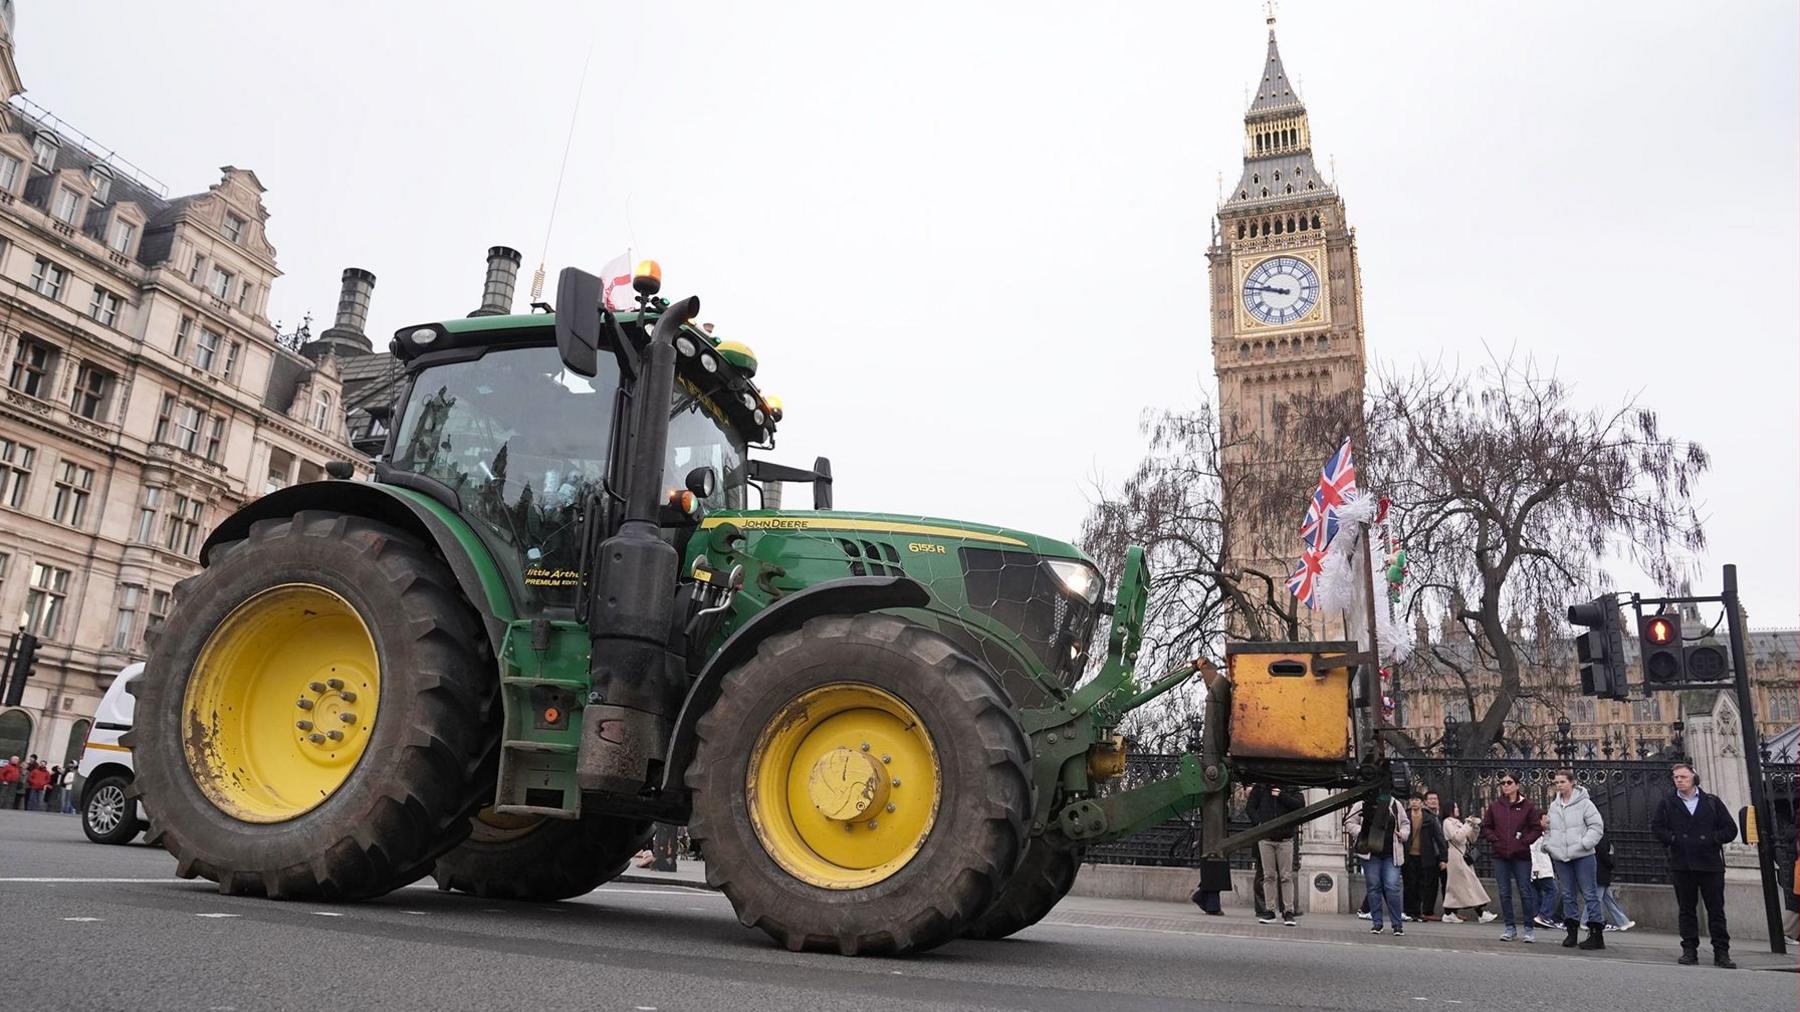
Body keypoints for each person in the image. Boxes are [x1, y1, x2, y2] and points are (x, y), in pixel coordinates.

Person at [1649, 762, 1739, 968]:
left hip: (1710, 864)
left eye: (1683, 777)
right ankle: (1689, 950)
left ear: (1693, 778)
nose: (1679, 780)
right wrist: (1672, 839)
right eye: (1676, 778)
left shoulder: (1711, 802)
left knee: (1716, 910)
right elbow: (1657, 827)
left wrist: (1713, 839)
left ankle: (1722, 953)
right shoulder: (1668, 802)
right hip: (1682, 863)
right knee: (1686, 910)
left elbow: (1730, 828)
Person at [1545, 769, 1606, 951]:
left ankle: (1596, 933)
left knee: (1589, 893)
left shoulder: (1585, 804)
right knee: (1568, 894)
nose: (1559, 785)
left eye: (1562, 782)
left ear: (1572, 782)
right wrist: (1549, 845)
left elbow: (1596, 826)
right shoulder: (1554, 806)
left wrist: (1585, 844)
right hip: (1561, 856)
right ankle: (1571, 931)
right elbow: (1550, 829)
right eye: (1556, 782)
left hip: (1583, 855)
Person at [1481, 772, 1541, 942]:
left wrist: (1524, 841)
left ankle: (1529, 928)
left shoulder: (1528, 806)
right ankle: (1510, 927)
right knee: (1504, 891)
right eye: (1503, 783)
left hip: (1521, 855)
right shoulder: (1495, 806)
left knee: (1525, 890)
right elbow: (1486, 827)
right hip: (1500, 854)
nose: (1505, 785)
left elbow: (1536, 828)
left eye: (1509, 782)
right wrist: (1495, 840)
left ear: (1517, 785)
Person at [1345, 788, 1411, 936]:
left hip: (1390, 853)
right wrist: (1362, 832)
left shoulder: (1395, 804)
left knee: (1392, 887)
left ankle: (1397, 924)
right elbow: (1349, 822)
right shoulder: (1362, 803)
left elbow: (1405, 823)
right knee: (1374, 887)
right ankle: (1377, 923)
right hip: (1371, 853)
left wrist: (1403, 834)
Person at [1249, 783, 1306, 925]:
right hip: (1266, 839)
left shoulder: (1290, 787)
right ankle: (1270, 911)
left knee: (1286, 876)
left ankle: (1288, 911)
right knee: (1269, 876)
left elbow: (1300, 805)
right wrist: (1259, 823)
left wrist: (1281, 795)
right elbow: (1250, 807)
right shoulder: (1261, 787)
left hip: (1285, 839)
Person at [1441, 802, 1497, 923]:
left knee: (1457, 887)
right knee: (1468, 885)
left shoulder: (1458, 822)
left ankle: (1449, 912)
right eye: (1455, 807)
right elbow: (1458, 838)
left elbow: (1471, 839)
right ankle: (1480, 913)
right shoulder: (1447, 822)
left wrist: (1475, 827)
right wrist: (1467, 824)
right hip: (1455, 857)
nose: (1457, 809)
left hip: (1463, 856)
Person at [1402, 794, 1446, 923]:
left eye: (1417, 800)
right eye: (1412, 800)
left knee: (1421, 886)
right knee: (1409, 885)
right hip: (1408, 855)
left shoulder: (1429, 818)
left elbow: (1439, 837)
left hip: (1425, 856)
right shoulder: (1404, 816)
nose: (1414, 802)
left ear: (1422, 803)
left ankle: (1417, 912)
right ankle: (1407, 911)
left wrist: (1444, 858)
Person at [1593, 834, 1635, 932]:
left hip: (1600, 872)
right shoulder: (1601, 837)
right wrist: (1611, 862)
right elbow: (1605, 855)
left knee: (1607, 899)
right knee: (1597, 900)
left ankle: (1623, 921)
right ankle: (1586, 920)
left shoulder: (1598, 837)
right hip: (1601, 873)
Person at [1530, 812, 1561, 928]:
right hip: (1541, 869)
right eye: (1545, 820)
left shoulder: (1537, 834)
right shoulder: (1538, 835)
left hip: (1537, 870)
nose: (1548, 822)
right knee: (1552, 890)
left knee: (1536, 893)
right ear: (1539, 821)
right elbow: (1533, 853)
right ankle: (1543, 915)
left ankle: (1537, 916)